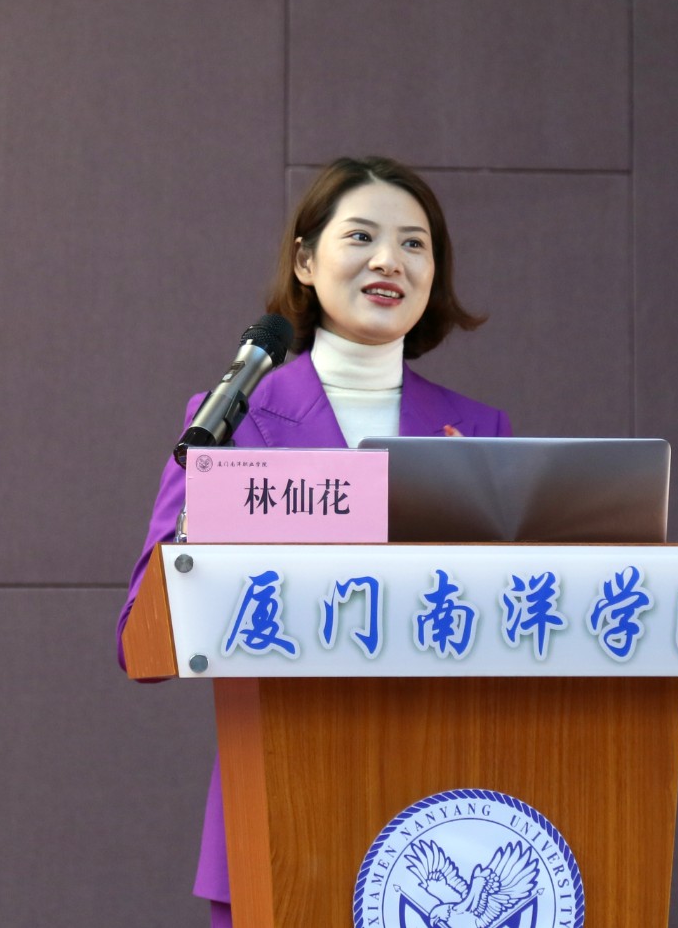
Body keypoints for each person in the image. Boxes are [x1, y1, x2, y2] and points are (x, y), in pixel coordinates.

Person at [115, 156, 511, 927]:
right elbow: (143, 643)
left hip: (443, 822)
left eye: (414, 243)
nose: (389, 260)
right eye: (361, 236)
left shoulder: (478, 430)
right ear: (304, 259)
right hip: (281, 810)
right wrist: (203, 523)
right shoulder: (232, 418)